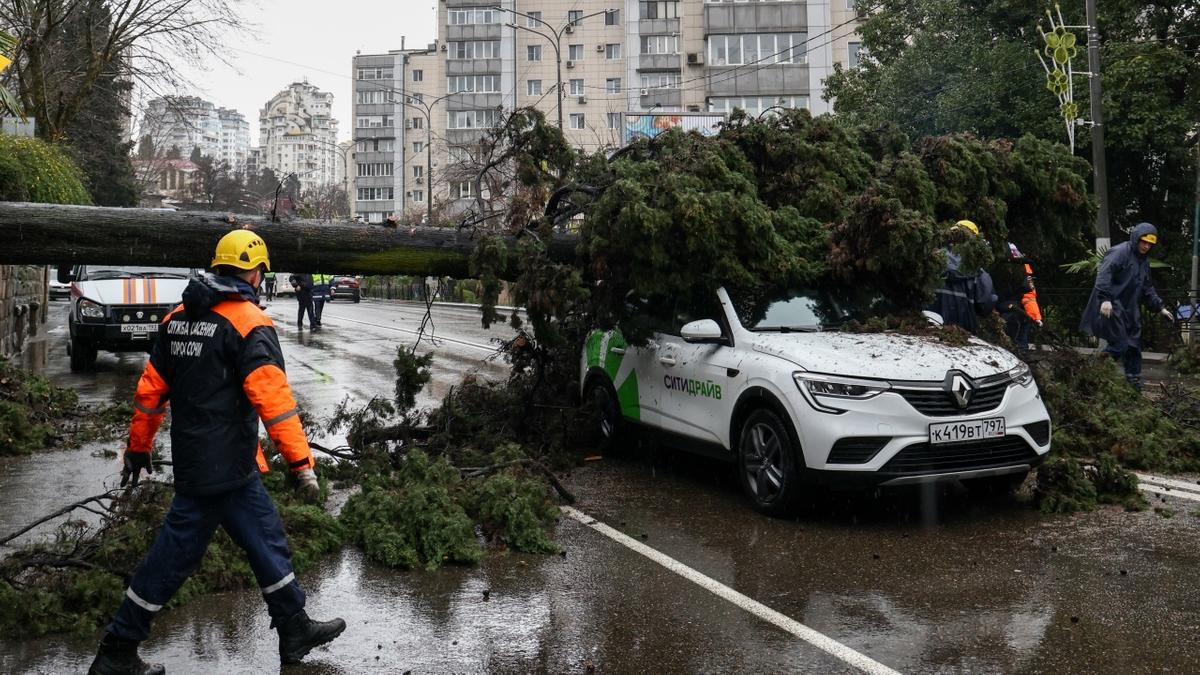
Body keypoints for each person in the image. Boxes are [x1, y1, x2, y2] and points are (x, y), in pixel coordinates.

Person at [87, 230, 345, 675]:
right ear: (255, 271)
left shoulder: (177, 319)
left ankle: (294, 626)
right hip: (221, 468)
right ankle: (118, 647)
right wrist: (301, 463)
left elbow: (150, 392)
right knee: (174, 556)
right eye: (262, 271)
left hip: (214, 462)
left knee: (266, 537)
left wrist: (138, 448)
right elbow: (275, 403)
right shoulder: (248, 323)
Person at [1080, 222, 1174, 389]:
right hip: (1112, 306)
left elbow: (1147, 287)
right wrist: (1105, 299)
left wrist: (1161, 307)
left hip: (1131, 309)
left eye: (1149, 244)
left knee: (1134, 347)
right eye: (1143, 242)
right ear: (1136, 239)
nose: (1146, 246)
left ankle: (1134, 384)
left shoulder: (1143, 261)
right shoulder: (1120, 252)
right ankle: (1092, 371)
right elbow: (1104, 273)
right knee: (1120, 344)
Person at [931, 219, 997, 333]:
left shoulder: (931, 260)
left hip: (927, 329)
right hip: (962, 334)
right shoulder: (978, 272)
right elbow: (986, 305)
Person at [995, 242, 1042, 352]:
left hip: (1011, 314)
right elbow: (1029, 297)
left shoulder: (996, 270)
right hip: (1019, 314)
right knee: (1020, 346)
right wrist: (1035, 317)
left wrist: (1035, 317)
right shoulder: (1023, 270)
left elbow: (1028, 297)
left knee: (1012, 346)